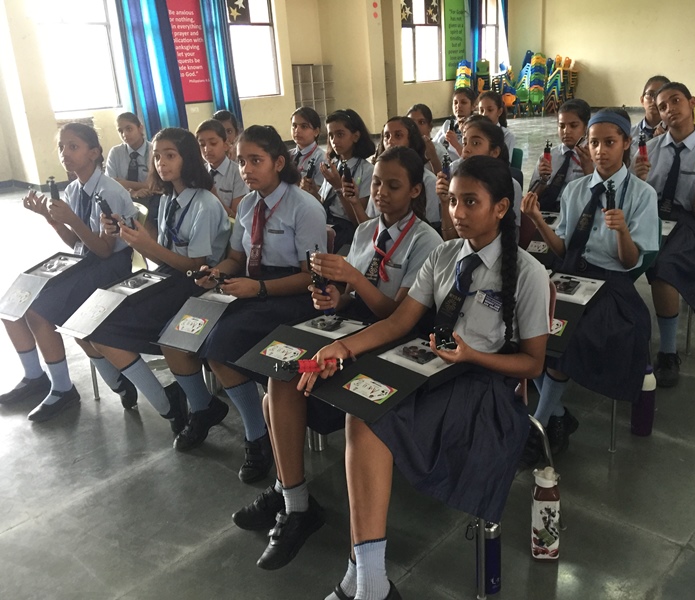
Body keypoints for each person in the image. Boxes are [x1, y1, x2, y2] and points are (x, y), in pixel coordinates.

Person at [296, 156, 550, 600]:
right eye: (452, 201)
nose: (457, 212)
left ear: (501, 208)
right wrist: (344, 347)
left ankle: (365, 582)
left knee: (370, 419)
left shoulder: (528, 274)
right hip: (434, 365)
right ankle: (367, 580)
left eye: (471, 202)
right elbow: (399, 322)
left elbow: (533, 364)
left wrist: (472, 355)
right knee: (361, 408)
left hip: (483, 384)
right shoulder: (445, 254)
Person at [233, 146, 443, 573]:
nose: (380, 192)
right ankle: (294, 500)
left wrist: (352, 278)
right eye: (377, 182)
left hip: (391, 343)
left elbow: (396, 315)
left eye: (393, 185)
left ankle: (290, 493)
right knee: (281, 375)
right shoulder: (365, 231)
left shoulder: (427, 242)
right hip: (348, 331)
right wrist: (334, 296)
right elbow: (350, 297)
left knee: (284, 392)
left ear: (415, 191)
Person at [164, 125, 327, 483]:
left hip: (293, 294)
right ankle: (219, 413)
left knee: (221, 346)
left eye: (256, 161)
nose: (246, 170)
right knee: (190, 327)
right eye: (241, 162)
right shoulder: (249, 205)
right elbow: (237, 258)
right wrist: (216, 273)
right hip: (253, 286)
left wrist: (260, 289)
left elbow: (311, 277)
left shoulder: (304, 207)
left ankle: (258, 436)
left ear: (278, 163)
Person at [522, 108, 660, 452]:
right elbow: (563, 248)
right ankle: (558, 414)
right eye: (594, 143)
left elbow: (630, 262)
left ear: (626, 143)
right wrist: (538, 220)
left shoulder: (642, 194)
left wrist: (622, 231)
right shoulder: (576, 190)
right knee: (524, 327)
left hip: (612, 285)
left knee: (568, 338)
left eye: (609, 142)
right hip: (571, 276)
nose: (600, 151)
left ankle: (538, 427)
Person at [85, 127, 230, 437]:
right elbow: (161, 254)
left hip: (198, 284)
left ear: (187, 158)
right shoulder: (167, 199)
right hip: (169, 275)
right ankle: (168, 402)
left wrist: (148, 246)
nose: (161, 163)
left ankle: (196, 405)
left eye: (170, 156)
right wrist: (130, 235)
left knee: (112, 329)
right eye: (157, 156)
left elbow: (195, 266)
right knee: (99, 324)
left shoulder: (204, 203)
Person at [0, 123, 136, 421]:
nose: (65, 153)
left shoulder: (109, 191)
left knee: (39, 311)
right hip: (85, 259)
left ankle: (63, 388)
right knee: (13, 301)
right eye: (61, 147)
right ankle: (34, 377)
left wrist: (72, 219)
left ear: (94, 153)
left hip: (110, 266)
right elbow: (76, 242)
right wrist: (52, 219)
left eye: (73, 146)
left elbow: (104, 250)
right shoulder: (74, 188)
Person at [634, 82, 695, 387]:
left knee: (664, 268)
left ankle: (668, 352)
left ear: (691, 103)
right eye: (662, 106)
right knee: (609, 252)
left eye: (675, 101)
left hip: (688, 223)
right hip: (652, 216)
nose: (670, 109)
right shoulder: (650, 149)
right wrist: (637, 179)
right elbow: (636, 201)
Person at [436, 115, 521, 241]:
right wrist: (445, 202)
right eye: (464, 143)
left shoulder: (511, 186)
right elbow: (450, 241)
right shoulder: (454, 177)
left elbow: (512, 238)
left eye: (475, 143)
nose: (466, 149)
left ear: (494, 152)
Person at [308, 109, 375, 252]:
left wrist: (338, 187)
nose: (334, 140)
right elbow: (325, 204)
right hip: (328, 224)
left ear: (355, 136)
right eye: (331, 135)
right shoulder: (333, 165)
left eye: (340, 134)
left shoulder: (367, 170)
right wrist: (313, 192)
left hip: (348, 230)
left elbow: (357, 220)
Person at [365, 117, 440, 228]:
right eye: (386, 136)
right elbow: (370, 222)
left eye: (398, 136)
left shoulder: (428, 181)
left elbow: (432, 225)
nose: (390, 141)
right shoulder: (380, 178)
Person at [528, 99, 593, 212]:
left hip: (579, 211)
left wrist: (588, 169)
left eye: (573, 126)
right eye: (561, 126)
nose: (566, 131)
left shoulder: (593, 156)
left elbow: (601, 196)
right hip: (549, 211)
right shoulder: (550, 156)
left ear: (586, 127)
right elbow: (531, 196)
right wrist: (543, 180)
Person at [196, 119, 248, 217]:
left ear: (225, 145)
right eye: (202, 145)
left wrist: (214, 195)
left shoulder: (237, 173)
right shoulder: (199, 173)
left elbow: (237, 217)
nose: (207, 149)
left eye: (213, 143)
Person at [432, 87, 477, 161]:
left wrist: (455, 144)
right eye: (455, 102)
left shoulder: (475, 129)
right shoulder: (448, 124)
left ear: (473, 106)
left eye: (463, 102)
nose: (458, 106)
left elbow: (472, 160)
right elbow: (434, 144)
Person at [290, 107, 327, 190]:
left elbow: (321, 191)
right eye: (294, 126)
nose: (297, 130)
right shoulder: (287, 155)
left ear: (316, 131)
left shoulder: (321, 158)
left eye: (304, 126)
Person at [406, 103, 447, 174]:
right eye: (411, 122)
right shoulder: (402, 147)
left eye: (421, 122)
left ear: (430, 127)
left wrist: (433, 157)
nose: (416, 126)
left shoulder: (438, 150)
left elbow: (446, 177)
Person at [477, 90, 516, 160]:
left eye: (490, 110)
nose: (484, 114)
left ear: (499, 112)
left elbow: (504, 163)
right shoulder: (475, 132)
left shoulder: (506, 135)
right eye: (481, 110)